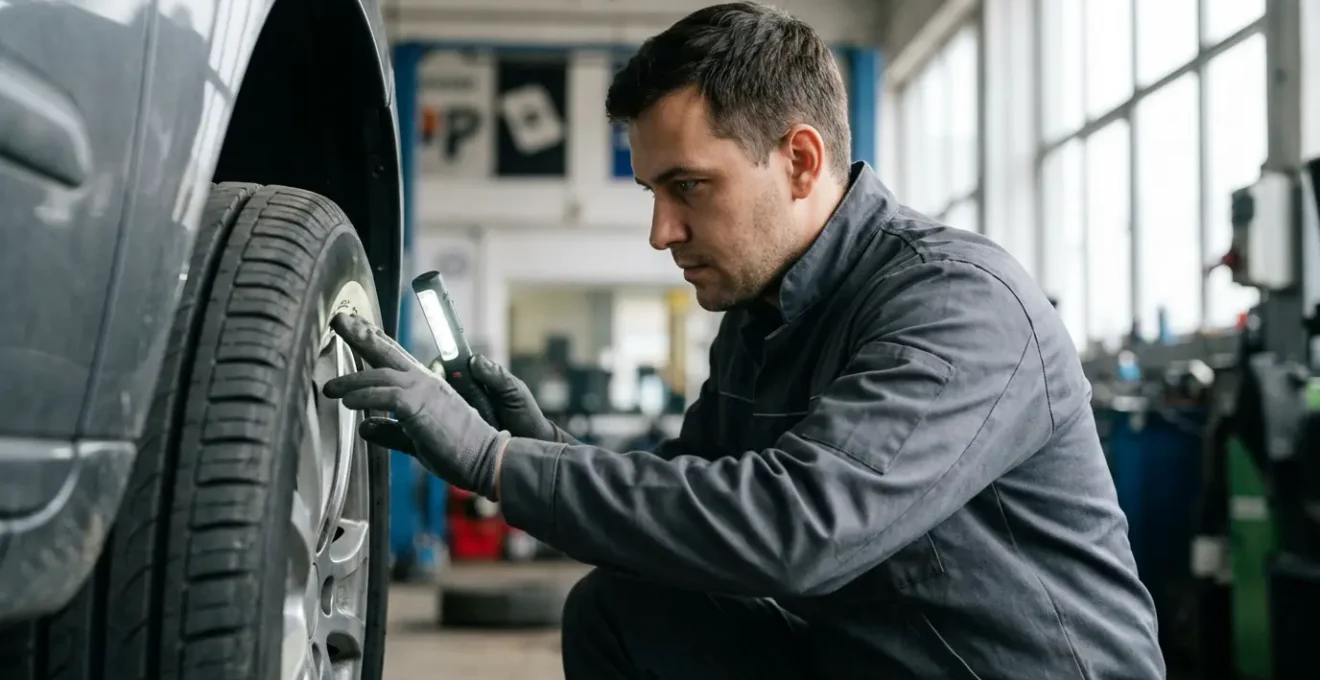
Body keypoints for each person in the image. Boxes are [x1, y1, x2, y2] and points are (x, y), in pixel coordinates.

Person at [322, 2, 1163, 677]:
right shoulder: (762, 319)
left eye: (688, 186)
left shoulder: (956, 303)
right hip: (863, 658)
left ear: (800, 161)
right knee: (621, 611)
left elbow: (799, 526)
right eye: (653, 190)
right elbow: (696, 500)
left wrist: (494, 463)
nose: (661, 230)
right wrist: (538, 443)